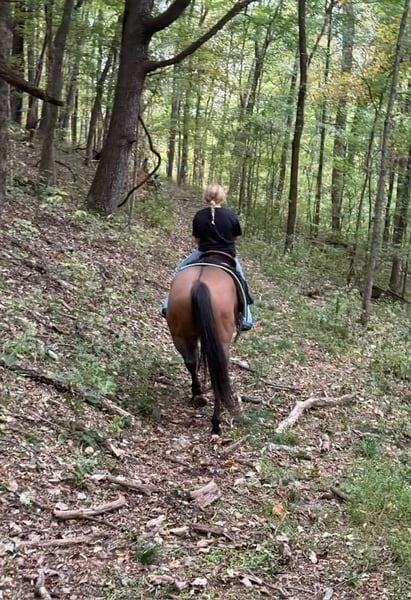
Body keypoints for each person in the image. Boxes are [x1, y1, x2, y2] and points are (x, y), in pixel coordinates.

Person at [162, 183, 253, 330]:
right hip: (227, 255)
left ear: (205, 197)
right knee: (241, 280)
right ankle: (247, 317)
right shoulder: (230, 215)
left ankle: (167, 304)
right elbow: (235, 237)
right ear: (222, 198)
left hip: (203, 253)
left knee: (178, 271)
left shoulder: (199, 215)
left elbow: (197, 239)